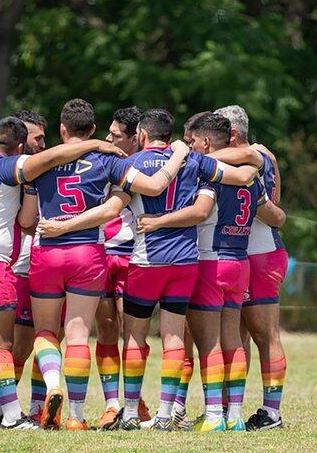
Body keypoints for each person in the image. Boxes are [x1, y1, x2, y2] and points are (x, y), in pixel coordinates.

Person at [18, 99, 191, 431]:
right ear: (93, 130)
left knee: (46, 332)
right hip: (88, 253)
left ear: (62, 129)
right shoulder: (106, 161)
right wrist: (180, 154)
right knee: (80, 335)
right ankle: (77, 416)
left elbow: (27, 219)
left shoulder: (38, 163)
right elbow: (154, 186)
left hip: (47, 252)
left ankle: (53, 384)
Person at [0, 115, 125, 430]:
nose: (42, 145)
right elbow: (50, 164)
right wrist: (95, 145)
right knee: (3, 342)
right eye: (36, 139)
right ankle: (12, 417)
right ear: (18, 143)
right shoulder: (11, 166)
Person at [138, 113, 285, 432]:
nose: (188, 147)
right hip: (239, 263)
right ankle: (234, 418)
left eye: (192, 142)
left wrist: (160, 221)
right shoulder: (248, 175)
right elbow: (273, 210)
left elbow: (200, 211)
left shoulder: (208, 174)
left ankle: (215, 416)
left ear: (206, 143)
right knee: (233, 340)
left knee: (209, 344)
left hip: (209, 262)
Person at [216, 105, 288, 431]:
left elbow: (272, 210)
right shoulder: (267, 153)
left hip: (260, 252)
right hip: (248, 253)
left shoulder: (251, 156)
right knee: (238, 333)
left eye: (216, 135)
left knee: (264, 333)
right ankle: (233, 412)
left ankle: (271, 412)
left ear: (232, 135)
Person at [95, 106, 151, 430]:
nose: (108, 138)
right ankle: (111, 404)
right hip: (101, 254)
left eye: (115, 135)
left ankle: (134, 398)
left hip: (133, 255)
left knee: (133, 334)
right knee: (106, 330)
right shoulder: (100, 161)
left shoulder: (145, 169)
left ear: (135, 138)